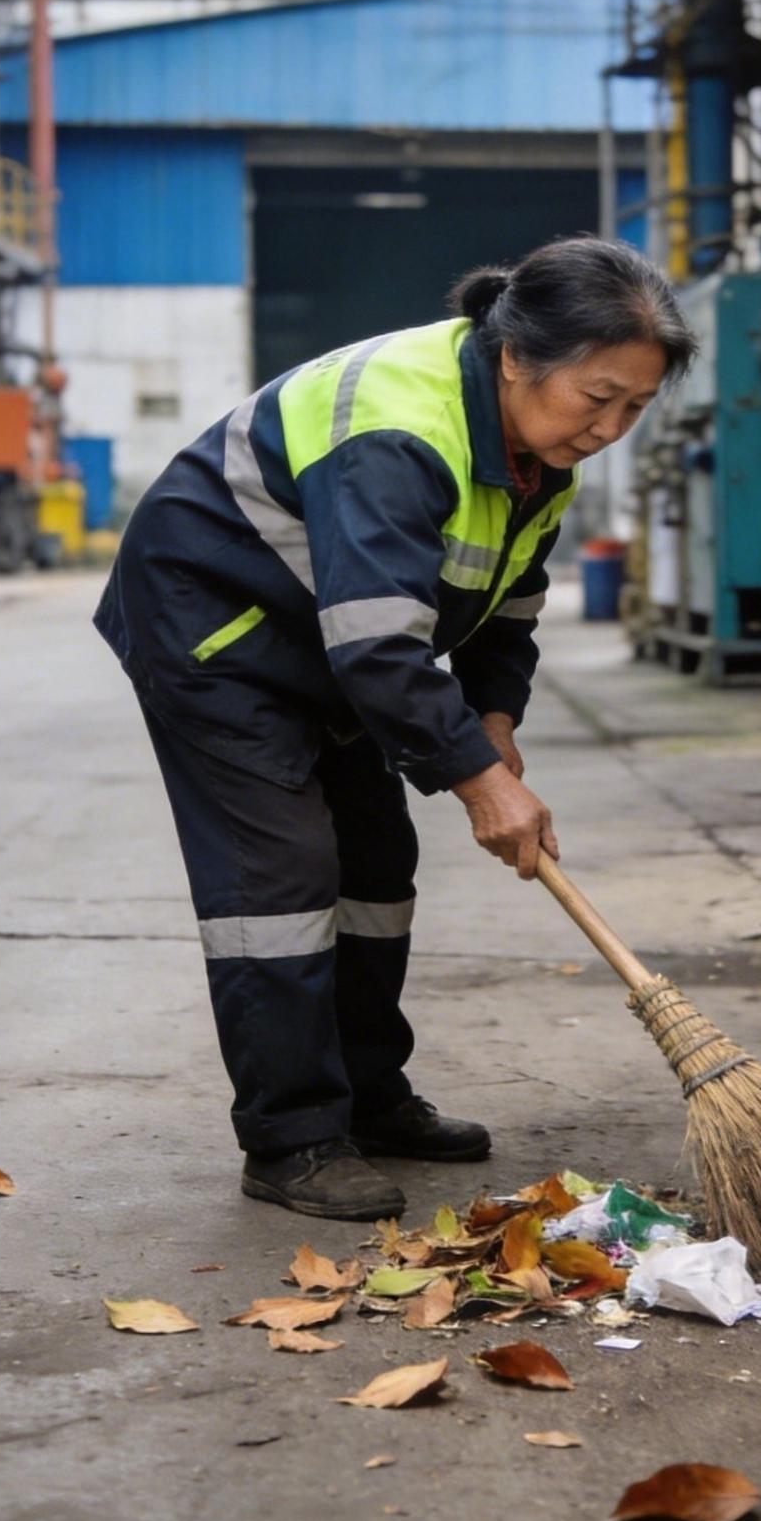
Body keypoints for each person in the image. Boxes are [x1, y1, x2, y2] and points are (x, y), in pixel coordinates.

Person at [94, 236, 695, 1219]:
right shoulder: (398, 430)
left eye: (635, 406)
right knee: (281, 874)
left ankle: (369, 1097)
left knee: (375, 861)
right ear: (516, 356)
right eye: (597, 397)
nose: (609, 428)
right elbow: (375, 646)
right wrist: (480, 781)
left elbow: (505, 607)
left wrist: (493, 720)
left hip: (331, 641)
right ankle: (291, 1137)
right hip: (218, 630)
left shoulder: (539, 458)